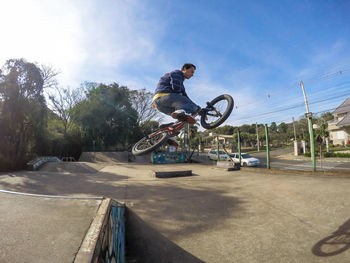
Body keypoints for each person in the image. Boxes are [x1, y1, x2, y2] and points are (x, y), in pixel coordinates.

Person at [152, 63, 201, 147]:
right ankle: (179, 111)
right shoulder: (177, 73)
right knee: (188, 107)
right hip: (164, 97)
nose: (192, 74)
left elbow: (186, 98)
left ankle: (171, 135)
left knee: (183, 119)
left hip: (161, 106)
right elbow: (176, 88)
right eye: (191, 71)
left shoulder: (181, 83)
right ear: (185, 69)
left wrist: (199, 110)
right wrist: (197, 108)